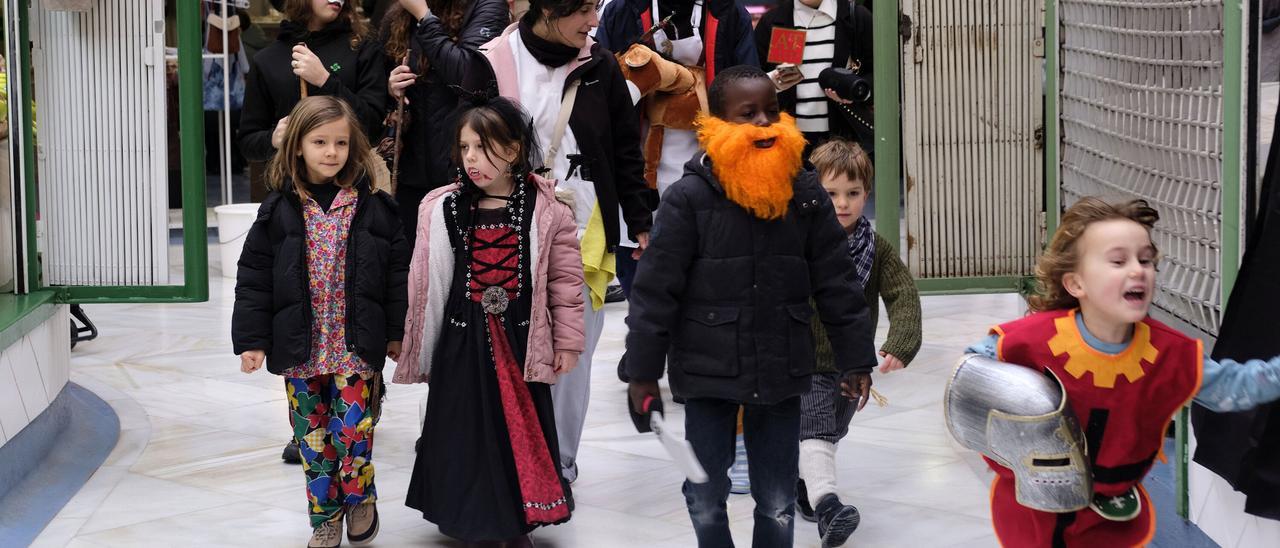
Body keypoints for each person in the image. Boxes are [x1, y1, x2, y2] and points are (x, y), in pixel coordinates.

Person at [624, 65, 878, 548]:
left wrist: (855, 359)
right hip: (706, 370)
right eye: (748, 114)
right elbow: (655, 294)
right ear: (716, 125)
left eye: (771, 111)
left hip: (782, 366)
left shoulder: (804, 195)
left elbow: (837, 282)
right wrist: (641, 373)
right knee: (705, 489)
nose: (764, 123)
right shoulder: (687, 199)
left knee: (778, 497)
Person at [964, 197, 1280, 547]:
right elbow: (971, 378)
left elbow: (1236, 388)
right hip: (1032, 509)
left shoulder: (1170, 355)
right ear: (1075, 284)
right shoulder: (1030, 340)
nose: (1138, 270)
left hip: (1112, 518)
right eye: (1118, 260)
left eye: (1146, 260)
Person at [470, 0, 655, 483]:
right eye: (585, 9)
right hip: (506, 232)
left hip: (586, 229)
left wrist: (640, 221)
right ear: (549, 7)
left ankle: (559, 468)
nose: (595, 20)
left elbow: (624, 149)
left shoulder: (601, 65)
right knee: (508, 351)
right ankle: (512, 465)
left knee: (573, 354)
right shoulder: (492, 60)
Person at [392, 96, 585, 545]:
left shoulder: (547, 209)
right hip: (462, 339)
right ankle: (469, 514)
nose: (472, 159)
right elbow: (427, 279)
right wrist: (413, 338)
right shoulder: (444, 208)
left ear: (515, 150)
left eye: (484, 147)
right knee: (464, 425)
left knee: (516, 427)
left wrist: (569, 341)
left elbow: (565, 282)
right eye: (465, 148)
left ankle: (516, 519)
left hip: (521, 338)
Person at [232, 96, 409, 548]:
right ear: (297, 147)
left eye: (341, 143)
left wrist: (395, 332)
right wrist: (252, 340)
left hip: (355, 343)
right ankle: (325, 515)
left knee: (353, 430)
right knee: (312, 437)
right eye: (319, 142)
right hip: (301, 348)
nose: (331, 152)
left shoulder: (373, 208)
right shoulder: (277, 212)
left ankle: (360, 496)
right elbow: (253, 279)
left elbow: (396, 274)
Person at [240, 0, 389, 462]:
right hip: (294, 203)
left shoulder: (362, 46)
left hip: (354, 196)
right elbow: (249, 139)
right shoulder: (268, 61)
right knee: (299, 296)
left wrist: (327, 80)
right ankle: (311, 419)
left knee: (355, 294)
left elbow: (373, 117)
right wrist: (277, 137)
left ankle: (361, 404)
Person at [795, 138, 920, 546]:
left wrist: (901, 341)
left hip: (851, 363)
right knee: (815, 425)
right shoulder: (797, 238)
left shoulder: (875, 248)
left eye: (853, 193)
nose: (842, 203)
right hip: (803, 357)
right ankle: (829, 506)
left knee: (835, 427)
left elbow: (902, 292)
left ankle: (805, 484)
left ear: (867, 194)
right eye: (831, 193)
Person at [596, 0, 760, 285]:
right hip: (636, 172)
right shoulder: (622, 11)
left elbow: (749, 88)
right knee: (642, 289)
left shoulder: (728, 12)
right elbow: (599, 84)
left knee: (707, 282)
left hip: (710, 166)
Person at [381, 0, 509, 245]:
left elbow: (468, 75)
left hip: (466, 171)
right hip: (411, 173)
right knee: (413, 266)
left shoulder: (487, 5)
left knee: (462, 266)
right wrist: (392, 87)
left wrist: (424, 16)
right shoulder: (398, 15)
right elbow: (380, 86)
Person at [239, 0, 387, 166]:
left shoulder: (363, 50)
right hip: (290, 185)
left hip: (350, 184)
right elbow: (247, 142)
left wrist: (324, 81)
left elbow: (373, 129)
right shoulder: (267, 60)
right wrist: (273, 138)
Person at [754, 0, 874, 153]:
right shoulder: (773, 21)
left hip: (844, 142)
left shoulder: (855, 17)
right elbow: (752, 81)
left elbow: (881, 75)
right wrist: (774, 82)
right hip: (787, 144)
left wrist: (856, 92)